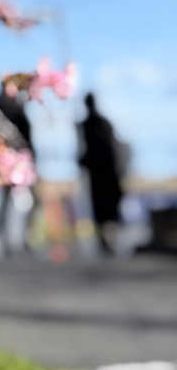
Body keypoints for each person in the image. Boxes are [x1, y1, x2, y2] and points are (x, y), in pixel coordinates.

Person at [0, 87, 36, 253]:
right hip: (11, 159)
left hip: (13, 159)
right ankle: (14, 240)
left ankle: (14, 239)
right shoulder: (12, 105)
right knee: (13, 202)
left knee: (12, 202)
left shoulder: (7, 104)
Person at [78, 93, 124, 255]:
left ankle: (107, 241)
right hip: (104, 173)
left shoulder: (87, 125)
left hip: (102, 174)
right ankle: (106, 241)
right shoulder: (99, 123)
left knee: (104, 209)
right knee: (105, 210)